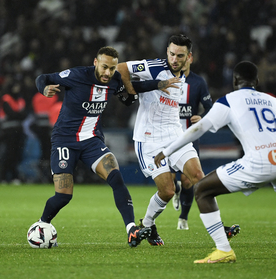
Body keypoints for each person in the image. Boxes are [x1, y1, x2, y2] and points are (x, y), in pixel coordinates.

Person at [154, 61, 276, 264]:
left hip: (259, 162)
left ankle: (223, 250)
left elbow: (198, 129)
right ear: (257, 81)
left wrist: (167, 150)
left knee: (202, 190)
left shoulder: (228, 101)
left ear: (235, 80)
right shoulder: (275, 102)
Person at [33, 46, 177, 248]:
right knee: (63, 196)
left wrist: (159, 84)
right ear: (95, 63)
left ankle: (131, 230)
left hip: (92, 141)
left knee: (116, 177)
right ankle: (42, 224)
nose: (108, 73)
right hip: (65, 141)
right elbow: (43, 77)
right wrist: (44, 88)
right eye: (104, 67)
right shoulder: (76, 75)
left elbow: (135, 87)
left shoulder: (115, 80)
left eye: (112, 68)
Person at [117, 34, 238, 245]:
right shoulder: (153, 66)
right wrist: (132, 92)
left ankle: (218, 227)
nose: (174, 59)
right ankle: (146, 225)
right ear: (167, 52)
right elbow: (120, 68)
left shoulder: (186, 76)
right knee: (168, 190)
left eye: (180, 55)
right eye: (172, 54)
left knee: (199, 176)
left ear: (189, 57)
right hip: (149, 139)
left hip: (175, 136)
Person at [171, 54, 213, 230]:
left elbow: (211, 107)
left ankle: (183, 218)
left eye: (183, 57)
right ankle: (175, 189)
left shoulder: (198, 82)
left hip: (189, 137)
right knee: (170, 178)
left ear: (190, 59)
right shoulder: (166, 79)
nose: (179, 61)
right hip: (167, 135)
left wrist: (201, 117)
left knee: (188, 181)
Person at [0, 83, 28, 184]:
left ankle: (13, 176)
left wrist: (17, 115)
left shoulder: (20, 99)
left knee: (16, 154)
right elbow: (10, 114)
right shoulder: (6, 98)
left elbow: (24, 114)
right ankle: (3, 176)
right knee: (9, 153)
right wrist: (18, 114)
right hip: (8, 130)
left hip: (18, 130)